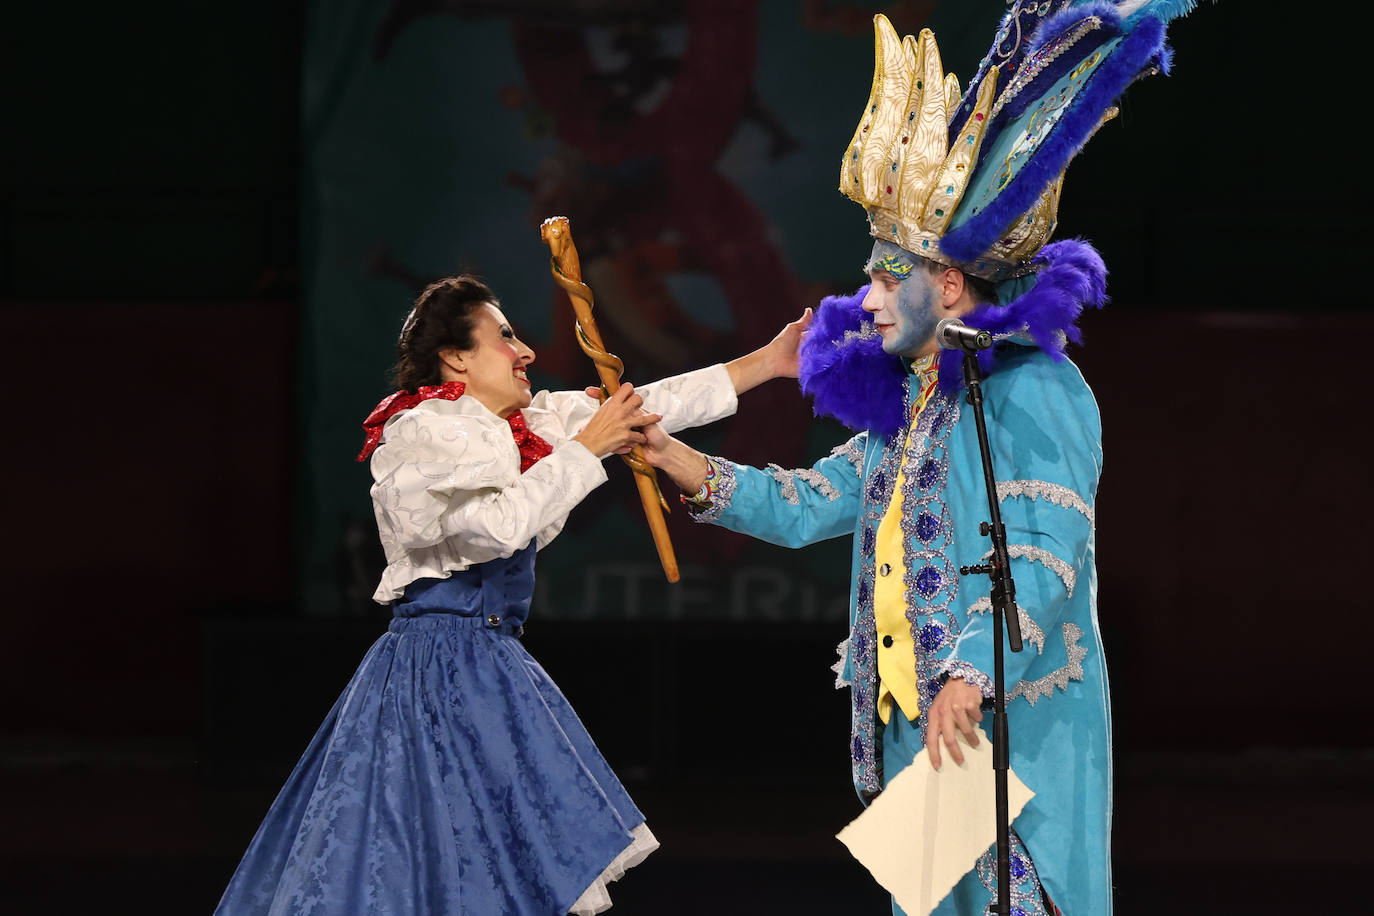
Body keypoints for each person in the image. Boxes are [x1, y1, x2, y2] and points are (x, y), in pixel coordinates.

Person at [638, 4, 1200, 914]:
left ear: (946, 285)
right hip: (921, 725)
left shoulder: (1034, 390)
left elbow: (1041, 554)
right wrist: (670, 452)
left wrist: (972, 676)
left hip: (1002, 719)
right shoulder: (910, 411)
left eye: (885, 276)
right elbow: (808, 501)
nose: (864, 299)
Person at [214, 274, 809, 915]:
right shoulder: (421, 432)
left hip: (490, 665)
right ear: (456, 356)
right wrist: (586, 448)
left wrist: (770, 361)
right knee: (413, 860)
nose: (525, 350)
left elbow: (646, 403)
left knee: (495, 863)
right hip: (432, 672)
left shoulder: (526, 425)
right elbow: (497, 528)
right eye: (505, 336)